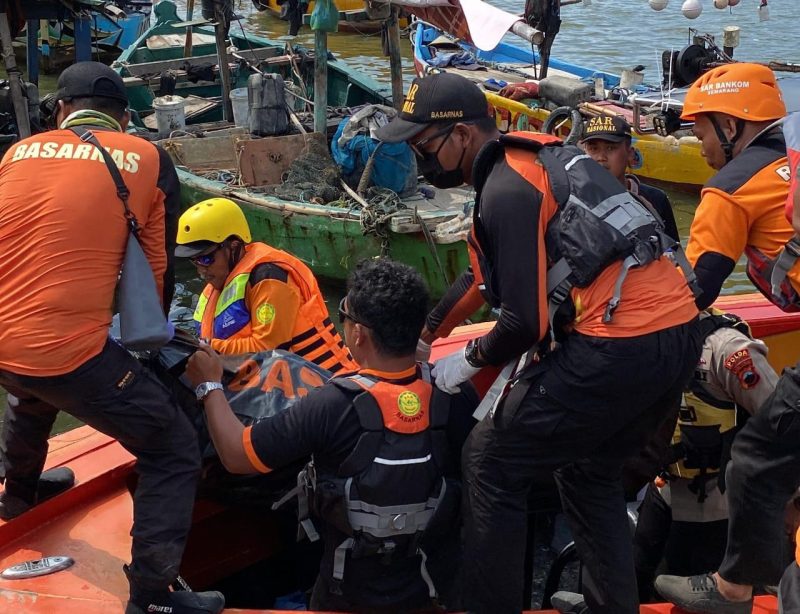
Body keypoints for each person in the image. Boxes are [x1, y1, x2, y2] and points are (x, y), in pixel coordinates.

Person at [375, 71, 699, 614]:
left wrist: (466, 361)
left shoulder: (506, 188)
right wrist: (429, 333)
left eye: (422, 145)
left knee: (488, 461)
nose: (418, 159)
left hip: (619, 345)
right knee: (590, 471)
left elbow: (523, 323)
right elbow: (483, 282)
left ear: (460, 136)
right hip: (677, 338)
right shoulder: (537, 165)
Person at [0, 62, 223, 614]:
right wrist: (151, 351)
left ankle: (19, 494)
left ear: (59, 111)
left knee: (30, 385)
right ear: (125, 117)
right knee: (172, 446)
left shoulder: (15, 154)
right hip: (67, 352)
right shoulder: (145, 158)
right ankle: (151, 596)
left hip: (6, 344)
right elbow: (154, 273)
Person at [185, 258, 478, 613]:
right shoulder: (456, 395)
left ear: (358, 334)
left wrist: (209, 383)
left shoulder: (333, 404)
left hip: (348, 595)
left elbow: (236, 454)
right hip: (435, 587)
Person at [633, 310, 778, 602]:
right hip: (661, 487)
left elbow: (782, 422)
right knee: (635, 578)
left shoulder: (728, 351)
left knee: (680, 592)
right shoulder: (641, 336)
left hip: (715, 503)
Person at [175, 197, 357, 374]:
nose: (201, 269)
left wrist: (207, 347)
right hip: (272, 385)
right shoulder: (214, 288)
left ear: (234, 246)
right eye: (194, 261)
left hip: (323, 380)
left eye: (206, 259)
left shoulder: (269, 277)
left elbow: (268, 349)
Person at [679, 62, 793, 311]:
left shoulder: (729, 189)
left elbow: (694, 290)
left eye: (701, 137)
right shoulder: (793, 154)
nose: (701, 150)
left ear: (730, 127)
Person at [580, 114, 680, 241]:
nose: (601, 157)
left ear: (630, 154)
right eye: (593, 149)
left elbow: (673, 251)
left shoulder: (655, 199)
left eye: (611, 148)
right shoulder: (576, 202)